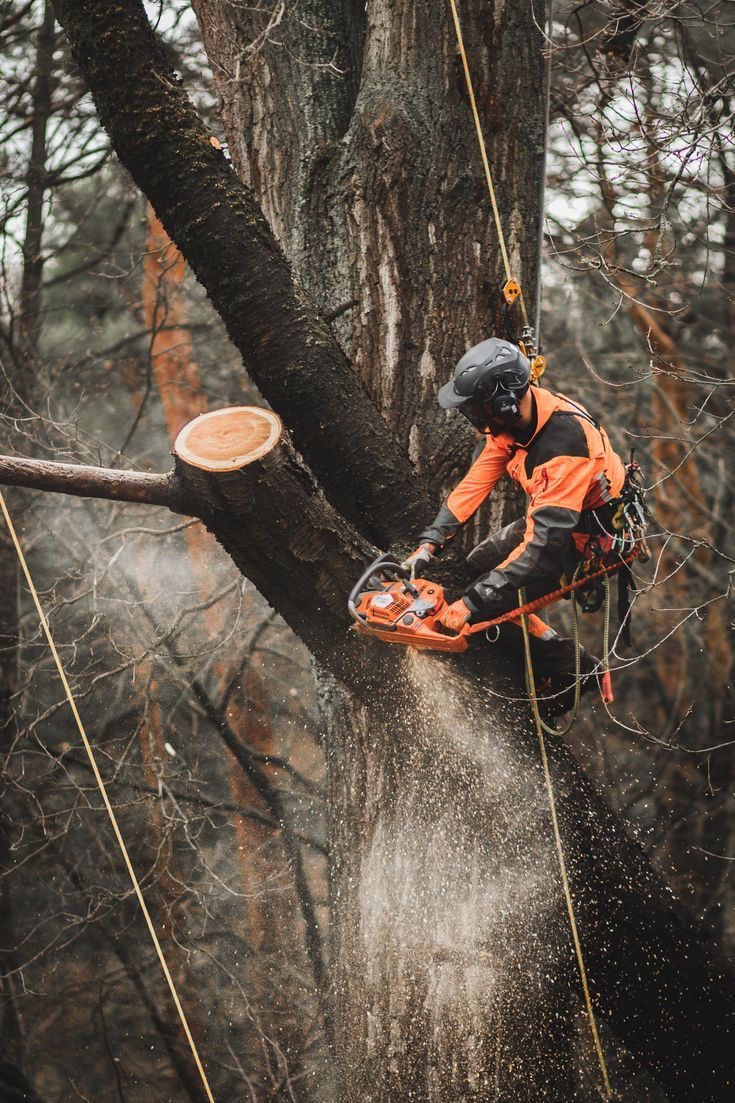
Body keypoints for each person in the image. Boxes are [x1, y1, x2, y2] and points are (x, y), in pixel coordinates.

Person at [402, 337, 627, 678]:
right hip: (556, 521)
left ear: (505, 401)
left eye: (478, 408)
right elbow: (473, 485)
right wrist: (429, 543)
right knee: (475, 568)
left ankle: (571, 670)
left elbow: (545, 547)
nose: (476, 418)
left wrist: (472, 604)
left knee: (484, 604)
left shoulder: (563, 446)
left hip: (582, 543)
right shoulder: (514, 425)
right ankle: (540, 634)